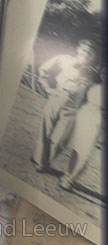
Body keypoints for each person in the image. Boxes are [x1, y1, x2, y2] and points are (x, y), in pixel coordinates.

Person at [32, 39, 100, 171]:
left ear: (93, 57)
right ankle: (40, 162)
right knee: (45, 131)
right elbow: (44, 69)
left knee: (60, 139)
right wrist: (47, 88)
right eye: (85, 50)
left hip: (73, 107)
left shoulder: (92, 74)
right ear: (79, 50)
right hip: (57, 97)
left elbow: (94, 94)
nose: (86, 54)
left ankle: (43, 160)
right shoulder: (64, 59)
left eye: (90, 53)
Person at [59, 67, 104, 191]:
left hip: (97, 121)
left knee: (85, 153)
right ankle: (67, 174)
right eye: (104, 72)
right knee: (76, 149)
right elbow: (82, 99)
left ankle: (70, 180)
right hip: (84, 116)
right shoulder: (93, 86)